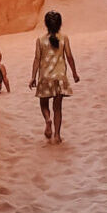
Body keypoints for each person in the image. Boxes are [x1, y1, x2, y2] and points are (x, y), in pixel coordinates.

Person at [30, 9, 80, 142]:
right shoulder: (64, 38)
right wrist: (74, 73)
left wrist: (33, 77)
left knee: (43, 102)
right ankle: (57, 135)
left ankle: (47, 119)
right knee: (58, 108)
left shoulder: (40, 40)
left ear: (46, 24)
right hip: (59, 78)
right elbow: (69, 56)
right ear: (60, 24)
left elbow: (37, 59)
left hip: (45, 78)